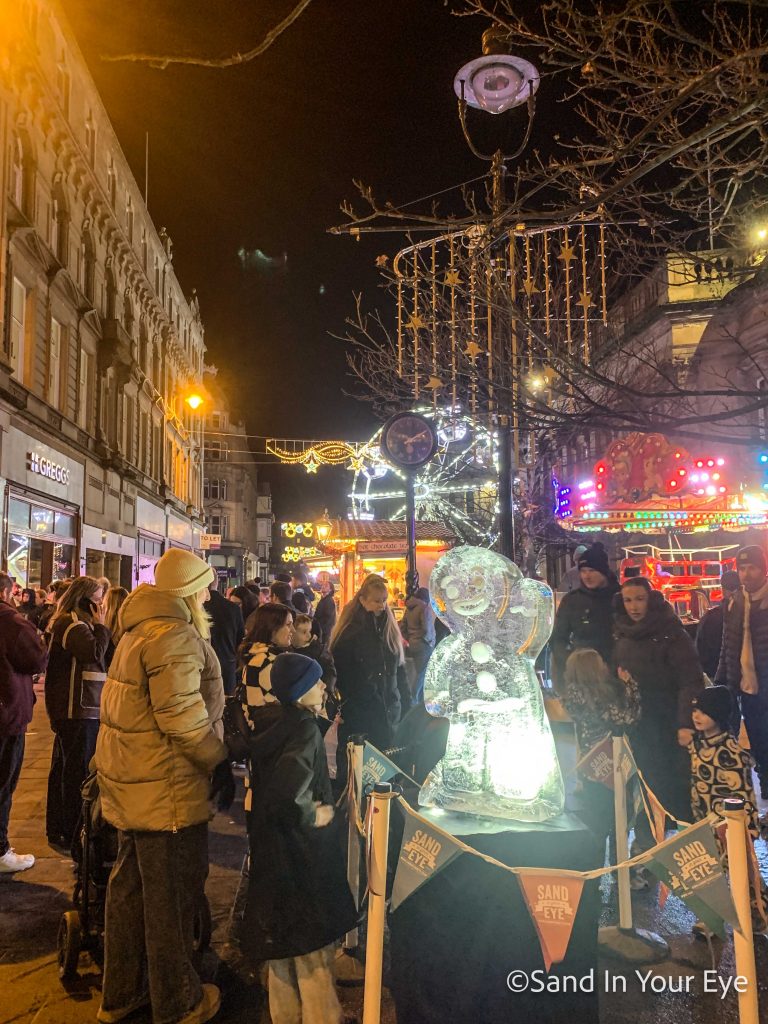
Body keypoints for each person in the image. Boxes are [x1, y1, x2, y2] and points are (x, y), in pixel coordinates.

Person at [95, 548, 227, 1024]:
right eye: (203, 586)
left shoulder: (137, 630)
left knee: (130, 893)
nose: (209, 594)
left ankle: (122, 994)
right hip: (166, 790)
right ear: (188, 592)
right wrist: (220, 757)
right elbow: (183, 721)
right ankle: (177, 1002)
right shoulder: (174, 636)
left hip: (134, 786)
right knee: (170, 899)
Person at [240, 652, 357, 1024]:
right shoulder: (305, 730)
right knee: (312, 948)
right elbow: (289, 790)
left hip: (272, 852)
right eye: (317, 682)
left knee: (283, 948)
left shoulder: (272, 723)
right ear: (302, 690)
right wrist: (313, 813)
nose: (323, 687)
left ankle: (285, 1017)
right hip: (301, 854)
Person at [613, 576, 704, 881]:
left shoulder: (670, 634)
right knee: (643, 789)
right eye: (628, 600)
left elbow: (689, 679)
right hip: (638, 725)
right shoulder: (622, 633)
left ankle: (689, 857)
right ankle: (647, 853)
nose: (634, 606)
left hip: (667, 723)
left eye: (639, 599)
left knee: (673, 789)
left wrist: (683, 722)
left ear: (650, 599)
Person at [689, 685, 767, 935]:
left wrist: (749, 829)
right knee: (710, 875)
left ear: (719, 715)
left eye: (705, 711)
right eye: (696, 709)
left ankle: (758, 916)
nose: (697, 715)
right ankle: (712, 920)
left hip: (730, 827)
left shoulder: (732, 753)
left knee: (743, 875)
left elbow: (745, 794)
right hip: (705, 823)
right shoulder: (696, 744)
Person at [44, 575, 110, 850]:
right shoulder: (72, 625)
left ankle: (60, 825)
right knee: (75, 770)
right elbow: (94, 653)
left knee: (67, 767)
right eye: (96, 601)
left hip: (78, 708)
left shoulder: (72, 623)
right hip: (76, 709)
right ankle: (70, 827)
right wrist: (102, 625)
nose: (100, 605)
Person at [330, 574, 404, 777]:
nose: (382, 606)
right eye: (376, 601)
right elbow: (346, 675)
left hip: (387, 707)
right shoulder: (351, 633)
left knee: (383, 767)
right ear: (363, 600)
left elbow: (397, 669)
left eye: (384, 600)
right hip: (363, 711)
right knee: (361, 767)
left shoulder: (387, 629)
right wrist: (367, 697)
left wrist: (400, 700)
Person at [563, 648, 640, 838]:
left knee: (595, 821)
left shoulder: (570, 697)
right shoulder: (603, 697)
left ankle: (595, 863)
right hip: (612, 759)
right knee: (619, 819)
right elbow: (626, 719)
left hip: (590, 763)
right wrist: (630, 686)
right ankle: (618, 865)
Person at [0, 573, 48, 873]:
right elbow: (36, 659)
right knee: (3, 780)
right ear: (6, 591)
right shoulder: (10, 621)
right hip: (5, 714)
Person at [716, 544, 768, 798]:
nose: (747, 574)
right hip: (748, 691)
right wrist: (722, 684)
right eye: (742, 568)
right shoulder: (735, 602)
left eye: (752, 568)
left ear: (763, 569)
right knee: (759, 748)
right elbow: (728, 646)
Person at [550, 542, 620, 692]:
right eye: (583, 571)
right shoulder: (572, 601)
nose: (587, 576)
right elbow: (558, 638)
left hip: (616, 675)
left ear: (603, 571)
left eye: (592, 570)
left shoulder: (620, 598)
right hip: (582, 677)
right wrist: (570, 663)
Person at [696, 570, 740, 679]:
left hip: (715, 674)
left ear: (723, 590)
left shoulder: (711, 617)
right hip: (742, 679)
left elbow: (700, 649)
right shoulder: (751, 614)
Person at [204, 579, 245, 696]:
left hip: (204, 665)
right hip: (228, 664)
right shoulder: (233, 608)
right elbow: (240, 638)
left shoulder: (198, 607)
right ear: (216, 583)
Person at [292, 613, 338, 711]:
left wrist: (327, 689)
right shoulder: (289, 651)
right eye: (304, 632)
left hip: (318, 697)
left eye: (309, 631)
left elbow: (330, 671)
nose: (309, 635)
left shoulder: (318, 650)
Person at [400, 586, 436, 705]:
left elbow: (402, 627)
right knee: (422, 674)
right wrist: (430, 642)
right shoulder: (424, 608)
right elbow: (427, 628)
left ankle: (414, 698)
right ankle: (415, 699)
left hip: (412, 644)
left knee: (415, 674)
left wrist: (409, 638)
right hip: (423, 645)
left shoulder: (409, 608)